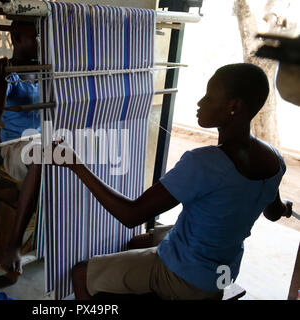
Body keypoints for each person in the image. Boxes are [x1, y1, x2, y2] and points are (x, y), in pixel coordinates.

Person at [50, 63, 295, 300]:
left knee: (81, 273)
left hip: (186, 279)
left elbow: (131, 215)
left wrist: (76, 165)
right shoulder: (275, 161)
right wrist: (285, 207)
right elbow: (274, 212)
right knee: (139, 241)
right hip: (223, 272)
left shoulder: (205, 163)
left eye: (209, 98)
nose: (200, 103)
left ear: (234, 106)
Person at [0, 20, 43, 275]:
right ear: (15, 37)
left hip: (43, 143)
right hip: (14, 147)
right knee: (42, 160)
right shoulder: (7, 73)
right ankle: (13, 244)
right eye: (34, 37)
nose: (40, 42)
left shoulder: (45, 70)